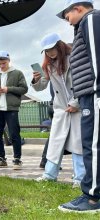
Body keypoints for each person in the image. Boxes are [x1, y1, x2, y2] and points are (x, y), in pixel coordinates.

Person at [57, 0, 100, 212]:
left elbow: (96, 55)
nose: (67, 22)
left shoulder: (91, 20)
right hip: (88, 94)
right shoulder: (83, 25)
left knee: (92, 144)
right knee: (92, 142)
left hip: (94, 94)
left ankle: (92, 198)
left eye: (67, 17)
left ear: (79, 9)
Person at [32, 33, 85, 188]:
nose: (50, 53)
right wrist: (35, 79)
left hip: (77, 107)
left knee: (78, 143)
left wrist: (76, 103)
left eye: (52, 48)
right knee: (55, 143)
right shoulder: (49, 65)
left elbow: (83, 81)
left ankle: (80, 178)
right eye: (46, 51)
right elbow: (42, 85)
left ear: (59, 45)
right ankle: (49, 175)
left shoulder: (74, 58)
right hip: (61, 109)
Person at [0, 51, 28, 170]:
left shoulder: (17, 73)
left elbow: (24, 89)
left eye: (4, 63)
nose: (2, 66)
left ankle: (17, 160)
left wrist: (7, 89)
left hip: (11, 108)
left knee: (14, 134)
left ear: (9, 61)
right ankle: (1, 159)